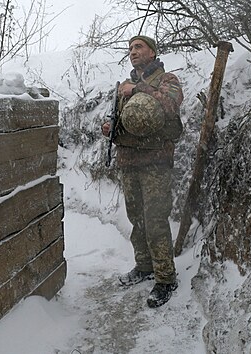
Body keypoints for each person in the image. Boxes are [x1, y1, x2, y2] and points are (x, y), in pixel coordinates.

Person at [101, 35, 184, 308]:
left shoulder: (166, 80)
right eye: (130, 48)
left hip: (155, 164)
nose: (133, 52)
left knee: (156, 221)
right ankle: (144, 266)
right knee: (136, 219)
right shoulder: (124, 86)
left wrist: (136, 91)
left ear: (152, 52)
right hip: (129, 163)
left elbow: (170, 106)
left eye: (139, 47)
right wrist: (112, 130)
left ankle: (165, 278)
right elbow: (127, 123)